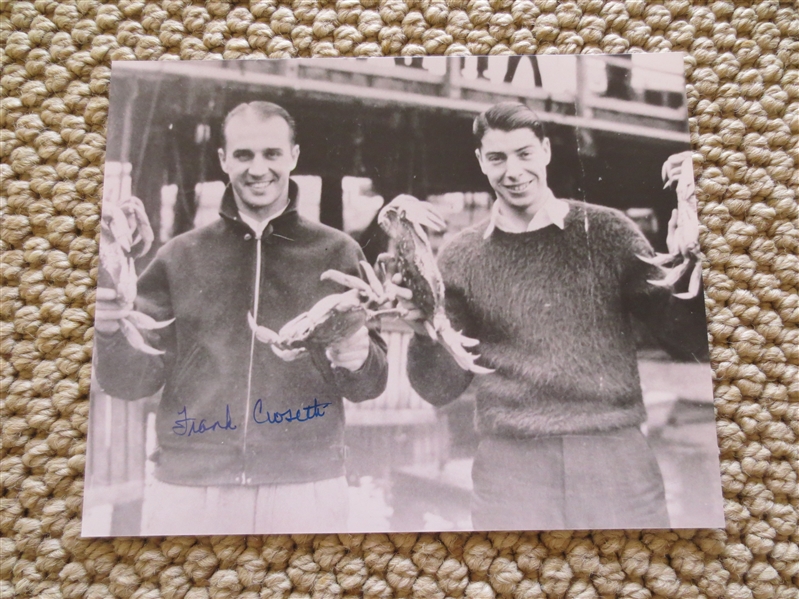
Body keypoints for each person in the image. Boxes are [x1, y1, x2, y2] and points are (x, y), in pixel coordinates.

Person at [403, 102, 708, 530]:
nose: (513, 171)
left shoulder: (610, 233)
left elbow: (687, 339)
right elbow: (440, 387)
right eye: (497, 158)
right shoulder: (458, 256)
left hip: (614, 458)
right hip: (510, 467)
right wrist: (422, 332)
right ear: (480, 162)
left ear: (546, 151)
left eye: (524, 153)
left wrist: (704, 264)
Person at [94, 101, 388, 535]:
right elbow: (130, 382)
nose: (258, 169)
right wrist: (107, 330)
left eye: (271, 154)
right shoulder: (178, 257)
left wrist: (358, 353)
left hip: (305, 485)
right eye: (244, 155)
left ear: (294, 156)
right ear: (223, 160)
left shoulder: (339, 252)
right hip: (191, 486)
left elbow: (371, 383)